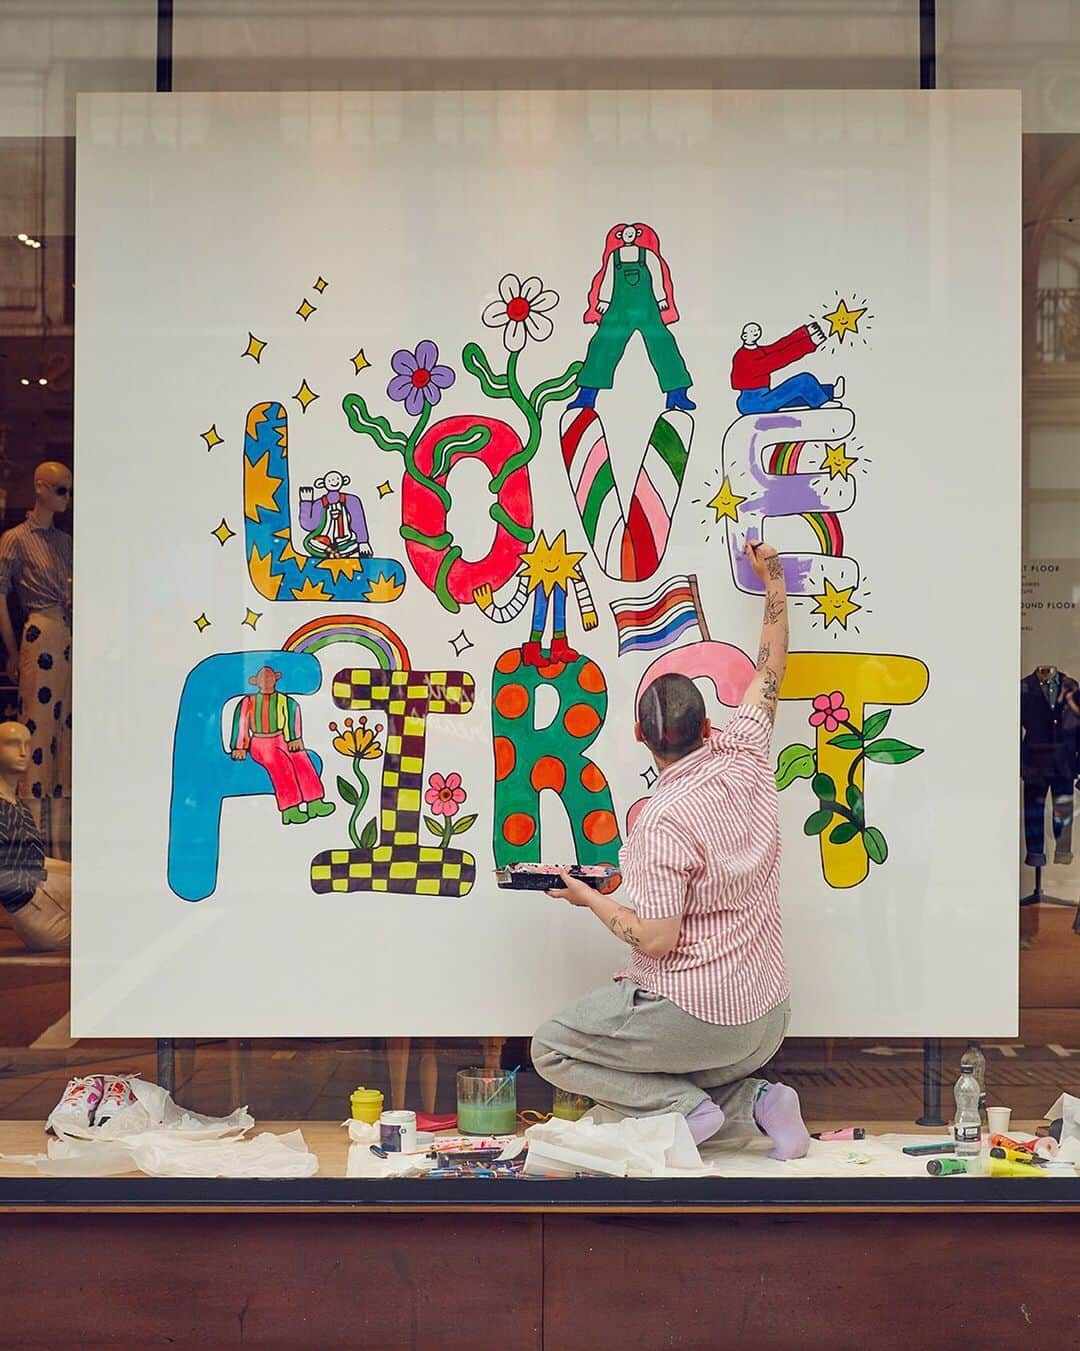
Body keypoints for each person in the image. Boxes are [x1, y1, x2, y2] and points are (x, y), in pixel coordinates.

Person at [531, 539, 809, 1158]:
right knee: (651, 1071)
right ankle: (759, 1101)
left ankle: (687, 1110)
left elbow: (654, 940)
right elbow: (770, 667)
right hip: (767, 1016)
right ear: (708, 725)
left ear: (639, 737)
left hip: (702, 1018)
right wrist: (774, 582)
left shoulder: (661, 822)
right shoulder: (746, 751)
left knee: (551, 1048)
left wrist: (590, 900)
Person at [0, 461, 73, 853]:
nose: (67, 498)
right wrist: (11, 649)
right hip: (40, 634)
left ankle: (59, 844)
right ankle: (30, 843)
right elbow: (0, 592)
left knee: (66, 736)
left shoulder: (65, 544)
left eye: (69, 490)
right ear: (40, 489)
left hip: (68, 636)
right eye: (60, 489)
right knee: (38, 733)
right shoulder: (16, 539)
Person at [568, 222, 695, 413]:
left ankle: (677, 393)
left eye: (631, 233)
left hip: (647, 308)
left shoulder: (648, 255)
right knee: (602, 344)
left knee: (663, 343)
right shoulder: (614, 257)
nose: (628, 236)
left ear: (636, 234)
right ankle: (587, 395)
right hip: (619, 309)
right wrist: (602, 300)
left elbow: (658, 277)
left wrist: (662, 299)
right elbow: (607, 278)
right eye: (624, 233)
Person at [229, 666, 336, 826]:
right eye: (263, 678)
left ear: (276, 679)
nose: (267, 681)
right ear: (256, 682)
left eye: (270, 677)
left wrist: (294, 738)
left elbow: (293, 716)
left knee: (301, 758)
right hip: (260, 742)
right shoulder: (248, 702)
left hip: (281, 738)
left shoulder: (285, 701)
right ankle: (290, 808)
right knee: (280, 764)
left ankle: (314, 801)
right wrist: (239, 747)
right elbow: (241, 722)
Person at [0, 721, 70, 951]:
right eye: (12, 744)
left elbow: (35, 861)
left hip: (42, 898)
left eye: (27, 745)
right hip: (35, 908)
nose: (22, 752)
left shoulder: (17, 804)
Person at [731, 321, 842, 414]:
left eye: (756, 330)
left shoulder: (758, 351)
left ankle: (832, 392)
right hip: (753, 403)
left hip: (763, 397)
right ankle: (821, 401)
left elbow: (779, 346)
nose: (756, 332)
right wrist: (809, 343)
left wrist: (805, 333)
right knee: (803, 381)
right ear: (744, 336)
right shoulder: (743, 357)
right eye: (751, 331)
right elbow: (778, 359)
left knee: (796, 394)